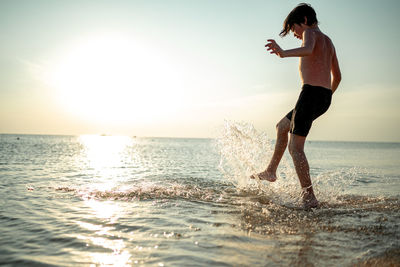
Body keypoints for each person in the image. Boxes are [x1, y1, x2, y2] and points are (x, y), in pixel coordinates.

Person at [251, 3, 341, 210]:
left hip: (311, 93)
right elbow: (338, 76)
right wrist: (326, 97)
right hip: (323, 96)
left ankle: (309, 197)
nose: (294, 34)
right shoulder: (329, 42)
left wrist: (283, 53)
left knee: (295, 148)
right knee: (282, 126)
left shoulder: (310, 33)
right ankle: (271, 170)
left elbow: (308, 50)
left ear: (305, 21)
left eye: (294, 28)